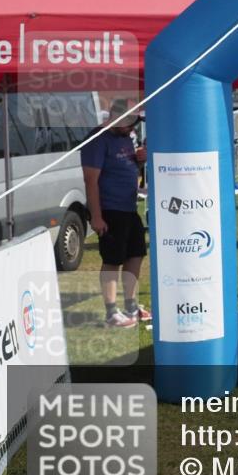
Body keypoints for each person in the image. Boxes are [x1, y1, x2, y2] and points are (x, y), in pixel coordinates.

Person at [81, 99, 152, 329]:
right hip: (110, 210)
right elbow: (90, 180)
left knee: (136, 255)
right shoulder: (98, 139)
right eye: (130, 123)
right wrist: (96, 216)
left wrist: (138, 159)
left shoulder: (125, 138)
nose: (133, 129)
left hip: (129, 208)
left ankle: (131, 305)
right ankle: (111, 312)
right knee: (112, 260)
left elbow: (124, 167)